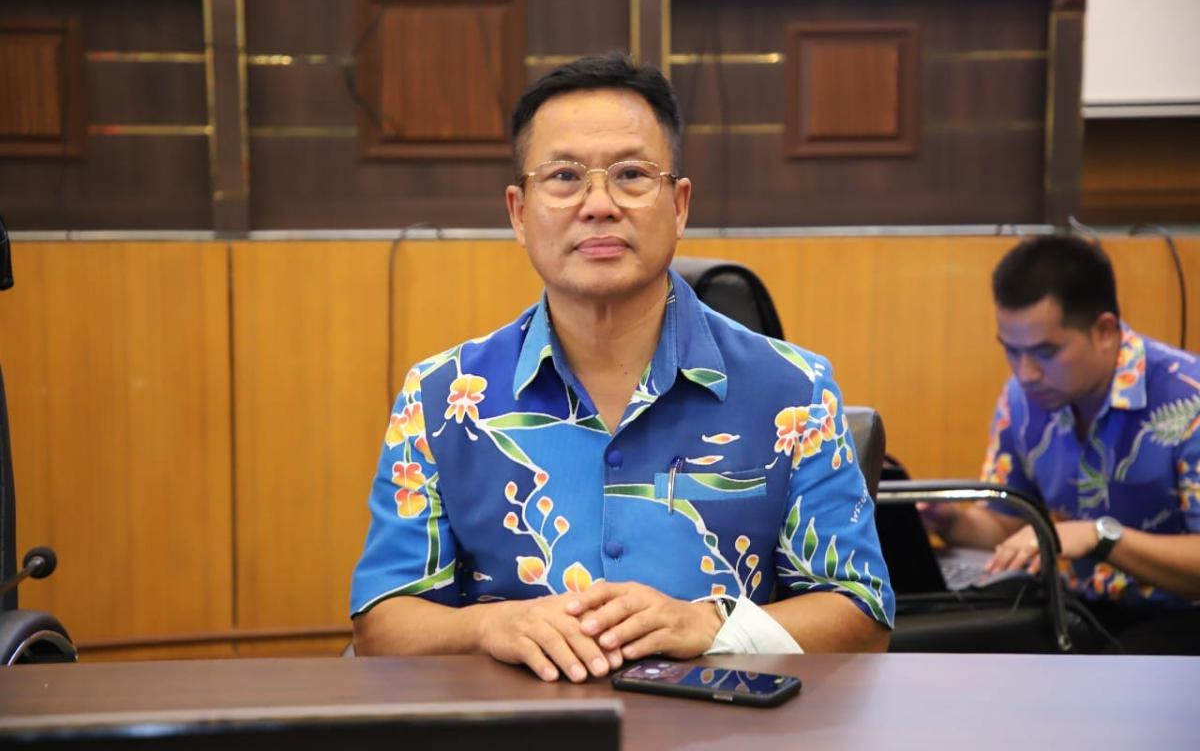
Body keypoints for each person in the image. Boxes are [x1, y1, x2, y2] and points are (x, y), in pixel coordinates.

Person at [350, 54, 894, 681]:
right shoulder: (442, 397)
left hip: (722, 724)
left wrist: (714, 626)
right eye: (563, 177)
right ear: (519, 213)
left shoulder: (792, 390)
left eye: (632, 175)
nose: (599, 204)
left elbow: (863, 614)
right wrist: (489, 626)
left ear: (679, 205)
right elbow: (380, 623)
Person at [927, 234, 1200, 653]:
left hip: (1178, 617)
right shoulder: (1021, 401)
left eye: (1045, 352)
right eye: (1011, 351)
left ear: (1104, 331)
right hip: (1071, 607)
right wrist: (952, 524)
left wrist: (1100, 537)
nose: (1025, 373)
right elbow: (1013, 525)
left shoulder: (1188, 397)